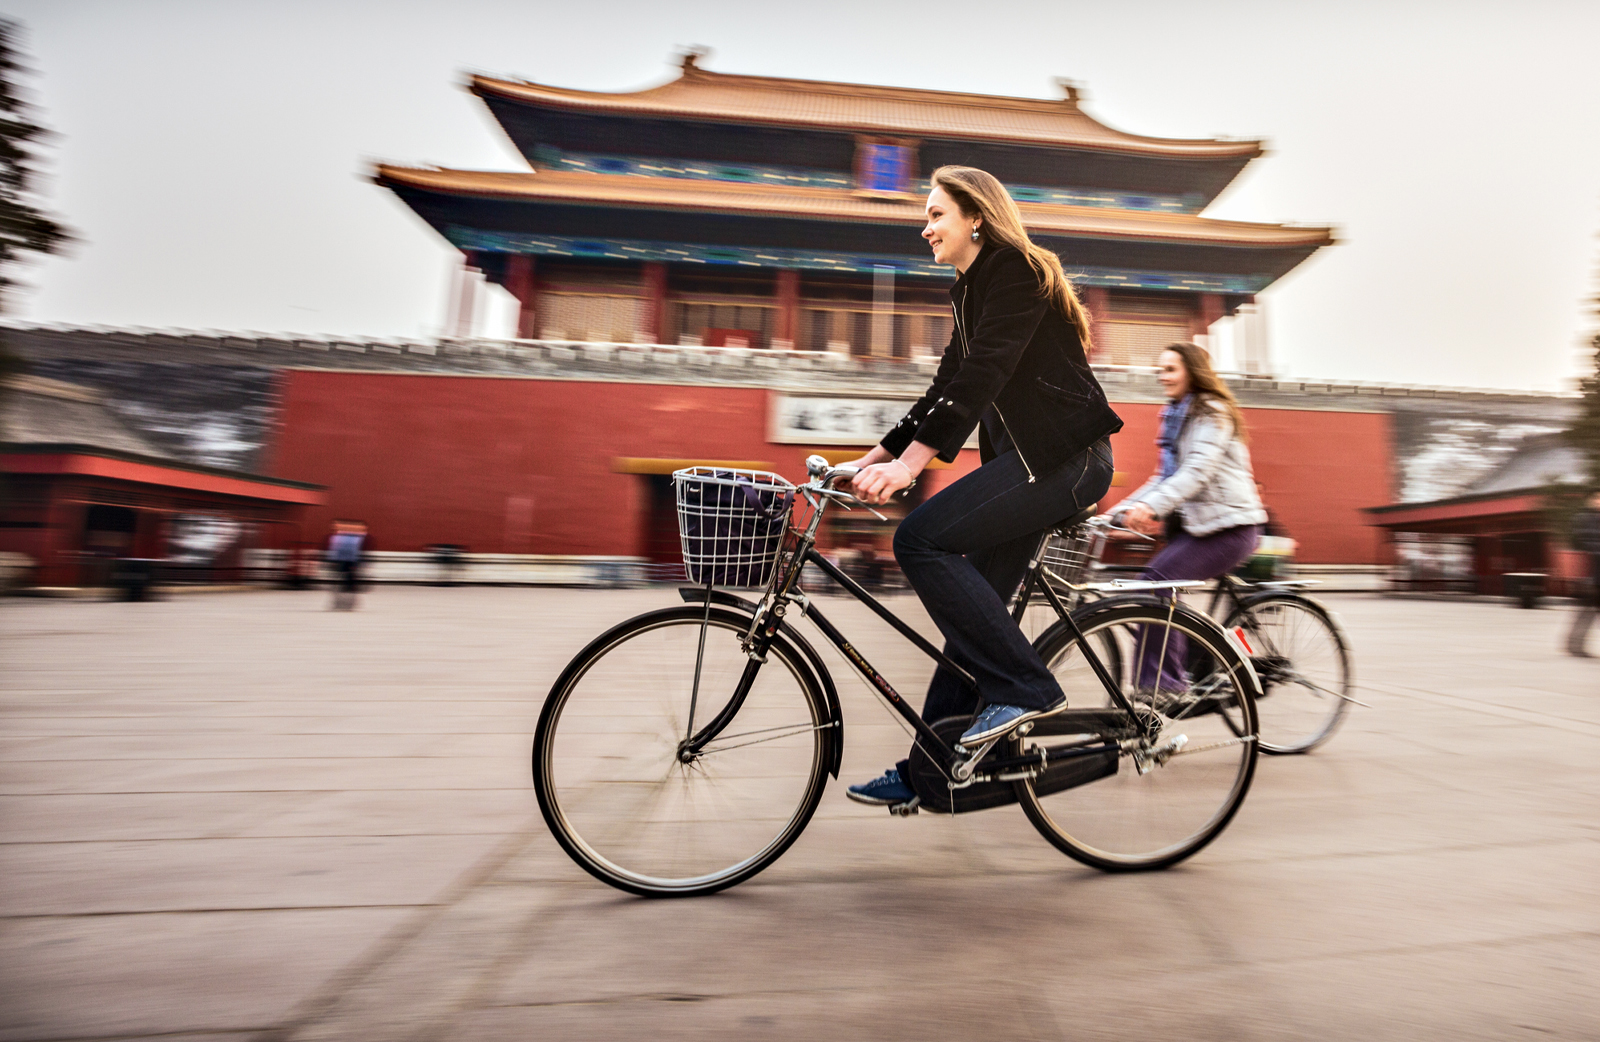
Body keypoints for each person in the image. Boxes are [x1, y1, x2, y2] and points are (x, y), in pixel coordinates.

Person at [843, 166, 1123, 807]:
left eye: (936, 213)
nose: (925, 227)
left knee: (919, 541)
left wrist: (910, 468)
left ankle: (1025, 688)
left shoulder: (1015, 272)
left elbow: (984, 377)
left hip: (1065, 460)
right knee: (973, 622)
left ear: (976, 216)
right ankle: (932, 772)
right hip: (1031, 464)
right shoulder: (970, 291)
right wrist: (869, 459)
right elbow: (943, 389)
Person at [1111, 342, 1268, 692]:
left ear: (1192, 372)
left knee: (1155, 583)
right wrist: (1116, 513)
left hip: (1231, 527)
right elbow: (1164, 477)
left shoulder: (1212, 412)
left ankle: (1163, 685)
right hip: (1198, 528)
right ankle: (1192, 671)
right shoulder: (1176, 414)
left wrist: (1152, 508)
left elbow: (1197, 471)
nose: (1162, 377)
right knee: (1158, 588)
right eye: (1160, 370)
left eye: (1170, 369)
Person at [1566, 490, 1600, 657]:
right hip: (1591, 574)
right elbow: (1585, 542)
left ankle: (1574, 644)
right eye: (1598, 498)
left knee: (1588, 610)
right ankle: (1574, 644)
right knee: (1587, 610)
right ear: (1591, 500)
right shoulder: (1584, 518)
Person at [325, 520, 368, 610]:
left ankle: (339, 603)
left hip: (341, 562)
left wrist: (332, 563)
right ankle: (348, 603)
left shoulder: (336, 538)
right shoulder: (357, 538)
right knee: (349, 584)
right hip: (351, 563)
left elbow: (333, 551)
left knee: (340, 584)